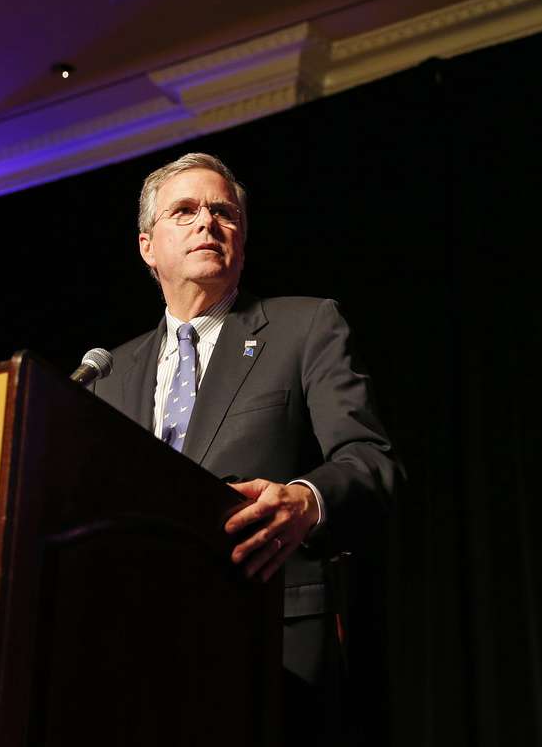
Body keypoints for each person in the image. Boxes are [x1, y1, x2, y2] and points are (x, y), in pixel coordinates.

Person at [91, 152, 401, 745]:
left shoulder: (305, 327)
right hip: (136, 651)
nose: (207, 222)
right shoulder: (108, 372)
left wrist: (307, 501)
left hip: (269, 636)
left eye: (223, 212)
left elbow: (370, 461)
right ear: (147, 247)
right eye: (184, 211)